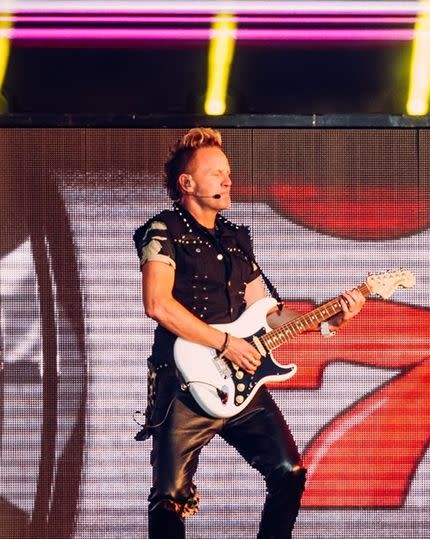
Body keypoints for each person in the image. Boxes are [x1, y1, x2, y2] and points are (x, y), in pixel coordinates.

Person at [133, 127, 366, 538]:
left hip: (241, 382)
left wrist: (329, 319)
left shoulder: (237, 238)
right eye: (215, 172)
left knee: (289, 473)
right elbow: (158, 304)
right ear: (186, 184)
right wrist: (226, 343)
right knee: (169, 497)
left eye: (228, 171)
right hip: (184, 382)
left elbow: (270, 313)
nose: (227, 179)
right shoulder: (163, 230)